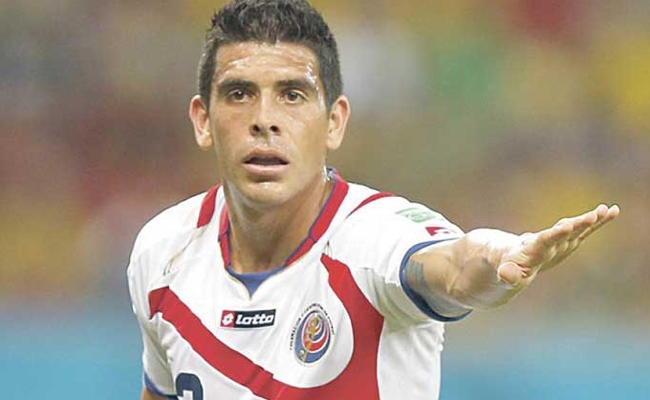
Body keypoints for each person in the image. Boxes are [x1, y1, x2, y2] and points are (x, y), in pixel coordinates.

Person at [126, 1, 619, 399]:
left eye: (292, 95)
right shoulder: (163, 251)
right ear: (203, 121)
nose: (264, 120)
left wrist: (497, 259)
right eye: (239, 94)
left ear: (334, 122)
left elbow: (455, 267)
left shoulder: (374, 238)